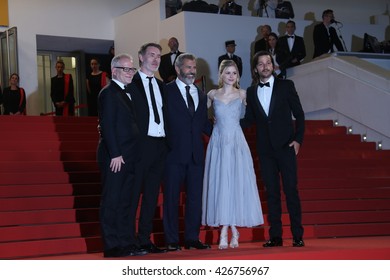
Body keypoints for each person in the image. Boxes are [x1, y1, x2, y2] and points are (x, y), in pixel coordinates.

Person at [241, 51, 305, 248]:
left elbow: (300, 115)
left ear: (273, 65)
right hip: (265, 150)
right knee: (272, 194)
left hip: (286, 147)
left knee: (291, 191)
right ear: (255, 69)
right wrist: (228, 122)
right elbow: (250, 119)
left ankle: (297, 235)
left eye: (268, 62)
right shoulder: (251, 92)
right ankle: (276, 236)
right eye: (261, 64)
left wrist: (298, 140)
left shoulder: (286, 86)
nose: (265, 66)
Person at [202, 60, 264, 249]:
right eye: (227, 72)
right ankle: (226, 230)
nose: (231, 76)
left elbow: (254, 116)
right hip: (219, 144)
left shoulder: (244, 94)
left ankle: (232, 229)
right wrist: (212, 130)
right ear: (221, 75)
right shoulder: (212, 94)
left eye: (234, 73)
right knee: (221, 184)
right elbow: (198, 116)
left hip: (237, 143)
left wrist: (238, 127)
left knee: (235, 184)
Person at [97, 53, 147, 257]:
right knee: (112, 200)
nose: (131, 73)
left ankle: (126, 242)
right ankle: (112, 245)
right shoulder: (108, 93)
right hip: (115, 157)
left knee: (126, 200)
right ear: (114, 71)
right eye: (126, 69)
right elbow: (107, 125)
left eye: (132, 69)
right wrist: (115, 154)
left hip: (131, 155)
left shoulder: (130, 92)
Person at [163, 53, 213, 251]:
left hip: (196, 155)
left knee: (195, 199)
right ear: (178, 69)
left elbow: (202, 124)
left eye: (194, 68)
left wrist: (226, 130)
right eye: (188, 67)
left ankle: (192, 238)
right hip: (173, 154)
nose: (192, 71)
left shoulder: (200, 94)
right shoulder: (165, 91)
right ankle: (172, 240)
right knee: (171, 198)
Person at [127, 43, 168, 254]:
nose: (155, 59)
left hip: (159, 146)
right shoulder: (130, 83)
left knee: (151, 196)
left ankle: (144, 239)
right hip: (139, 147)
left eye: (159, 56)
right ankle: (128, 240)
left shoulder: (162, 86)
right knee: (133, 195)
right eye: (151, 55)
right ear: (141, 57)